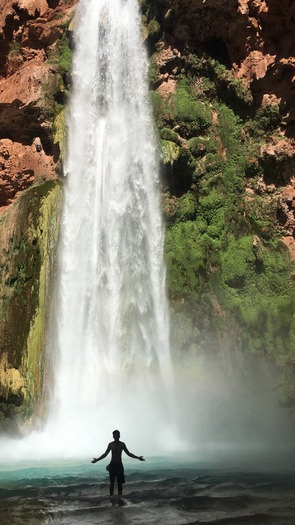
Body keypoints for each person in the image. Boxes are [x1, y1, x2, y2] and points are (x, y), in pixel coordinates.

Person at [91, 430, 145, 496]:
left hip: (119, 465)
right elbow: (105, 454)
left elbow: (128, 453)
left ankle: (120, 498)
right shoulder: (111, 444)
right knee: (112, 482)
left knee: (120, 483)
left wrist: (138, 457)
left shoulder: (122, 444)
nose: (116, 437)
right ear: (113, 436)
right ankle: (111, 497)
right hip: (113, 464)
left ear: (119, 436)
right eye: (115, 435)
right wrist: (97, 459)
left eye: (117, 435)